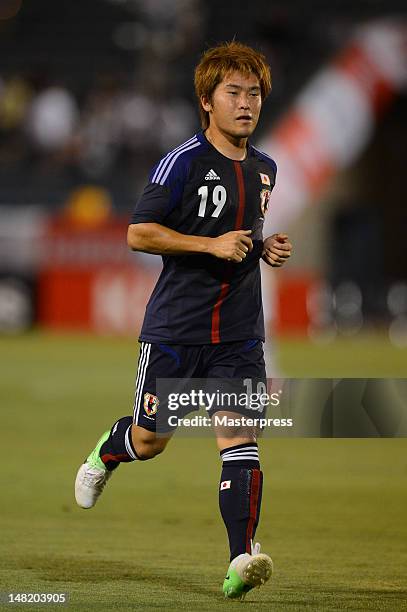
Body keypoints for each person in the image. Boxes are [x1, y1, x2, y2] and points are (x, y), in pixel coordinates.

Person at [75, 41, 292, 601]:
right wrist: (210, 245)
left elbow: (238, 236)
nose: (246, 103)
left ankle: (242, 558)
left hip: (240, 332)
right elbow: (138, 231)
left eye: (254, 93)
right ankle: (108, 451)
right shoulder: (183, 162)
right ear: (206, 101)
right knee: (150, 443)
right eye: (233, 93)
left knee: (240, 441)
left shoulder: (266, 169)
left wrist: (262, 247)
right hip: (176, 330)